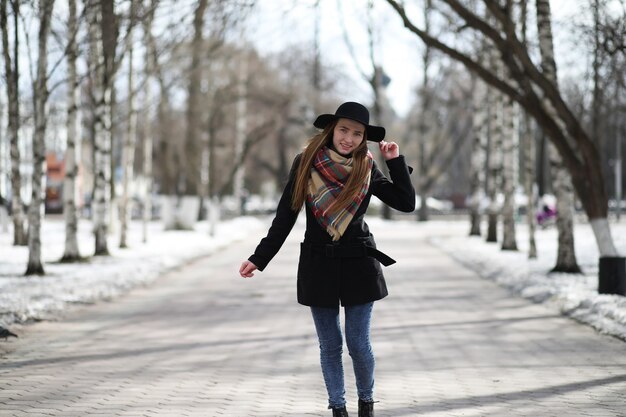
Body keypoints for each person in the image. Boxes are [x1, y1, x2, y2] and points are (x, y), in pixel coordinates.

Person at [239, 101, 415, 417]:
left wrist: (394, 161)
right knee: (330, 346)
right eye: (343, 130)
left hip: (359, 263)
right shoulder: (305, 163)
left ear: (364, 139)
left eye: (357, 133)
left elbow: (405, 202)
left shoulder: (367, 167)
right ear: (331, 129)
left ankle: (366, 404)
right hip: (318, 265)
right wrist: (259, 258)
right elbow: (285, 217)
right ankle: (338, 409)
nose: (348, 138)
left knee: (358, 344)